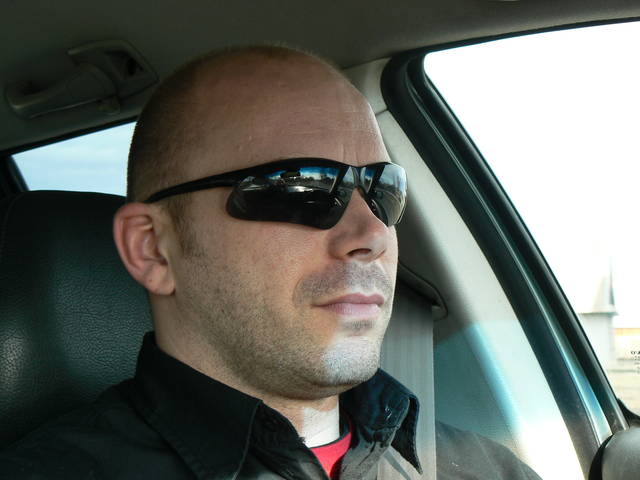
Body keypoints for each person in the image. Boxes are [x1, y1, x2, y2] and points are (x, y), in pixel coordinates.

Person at [0, 45, 541, 479]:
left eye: (383, 189)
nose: (373, 235)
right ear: (153, 248)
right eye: (300, 187)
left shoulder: (488, 468)